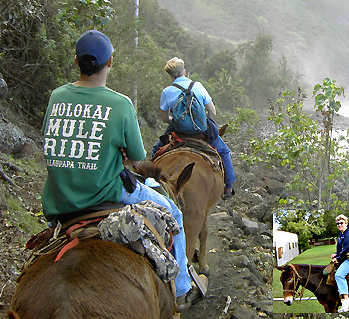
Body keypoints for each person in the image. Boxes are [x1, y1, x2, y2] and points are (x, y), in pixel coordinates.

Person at [41, 30, 202, 311]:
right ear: (110, 62)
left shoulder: (56, 97)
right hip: (106, 195)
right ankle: (181, 289)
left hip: (60, 203)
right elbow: (137, 159)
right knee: (173, 212)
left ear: (76, 62)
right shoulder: (120, 103)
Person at [152, 57, 235, 197]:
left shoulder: (167, 91)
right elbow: (213, 112)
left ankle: (150, 181)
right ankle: (229, 185)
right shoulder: (198, 86)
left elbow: (165, 119)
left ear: (170, 76)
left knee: (156, 149)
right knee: (224, 151)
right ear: (184, 72)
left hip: (178, 131)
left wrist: (177, 119)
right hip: (201, 132)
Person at [330, 214, 349, 313]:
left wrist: (338, 258)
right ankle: (343, 303)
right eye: (338, 223)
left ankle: (347, 300)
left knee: (339, 275)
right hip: (345, 257)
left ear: (346, 223)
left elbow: (347, 248)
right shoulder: (341, 234)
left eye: (341, 223)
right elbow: (340, 249)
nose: (339, 225)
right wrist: (336, 254)